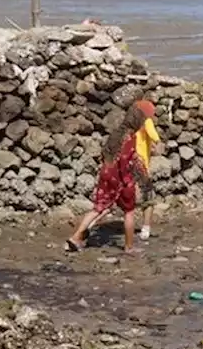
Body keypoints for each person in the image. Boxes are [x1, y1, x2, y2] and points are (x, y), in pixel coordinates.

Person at [65, 104, 151, 254]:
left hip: (106, 173)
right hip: (119, 177)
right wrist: (129, 181)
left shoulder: (116, 133)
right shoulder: (130, 138)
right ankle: (129, 247)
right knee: (129, 212)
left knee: (98, 208)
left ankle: (75, 237)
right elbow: (125, 161)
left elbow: (106, 154)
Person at [131, 99, 162, 240]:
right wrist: (159, 142)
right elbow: (153, 134)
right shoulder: (146, 121)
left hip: (128, 162)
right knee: (148, 198)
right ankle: (146, 229)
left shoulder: (130, 123)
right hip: (140, 165)